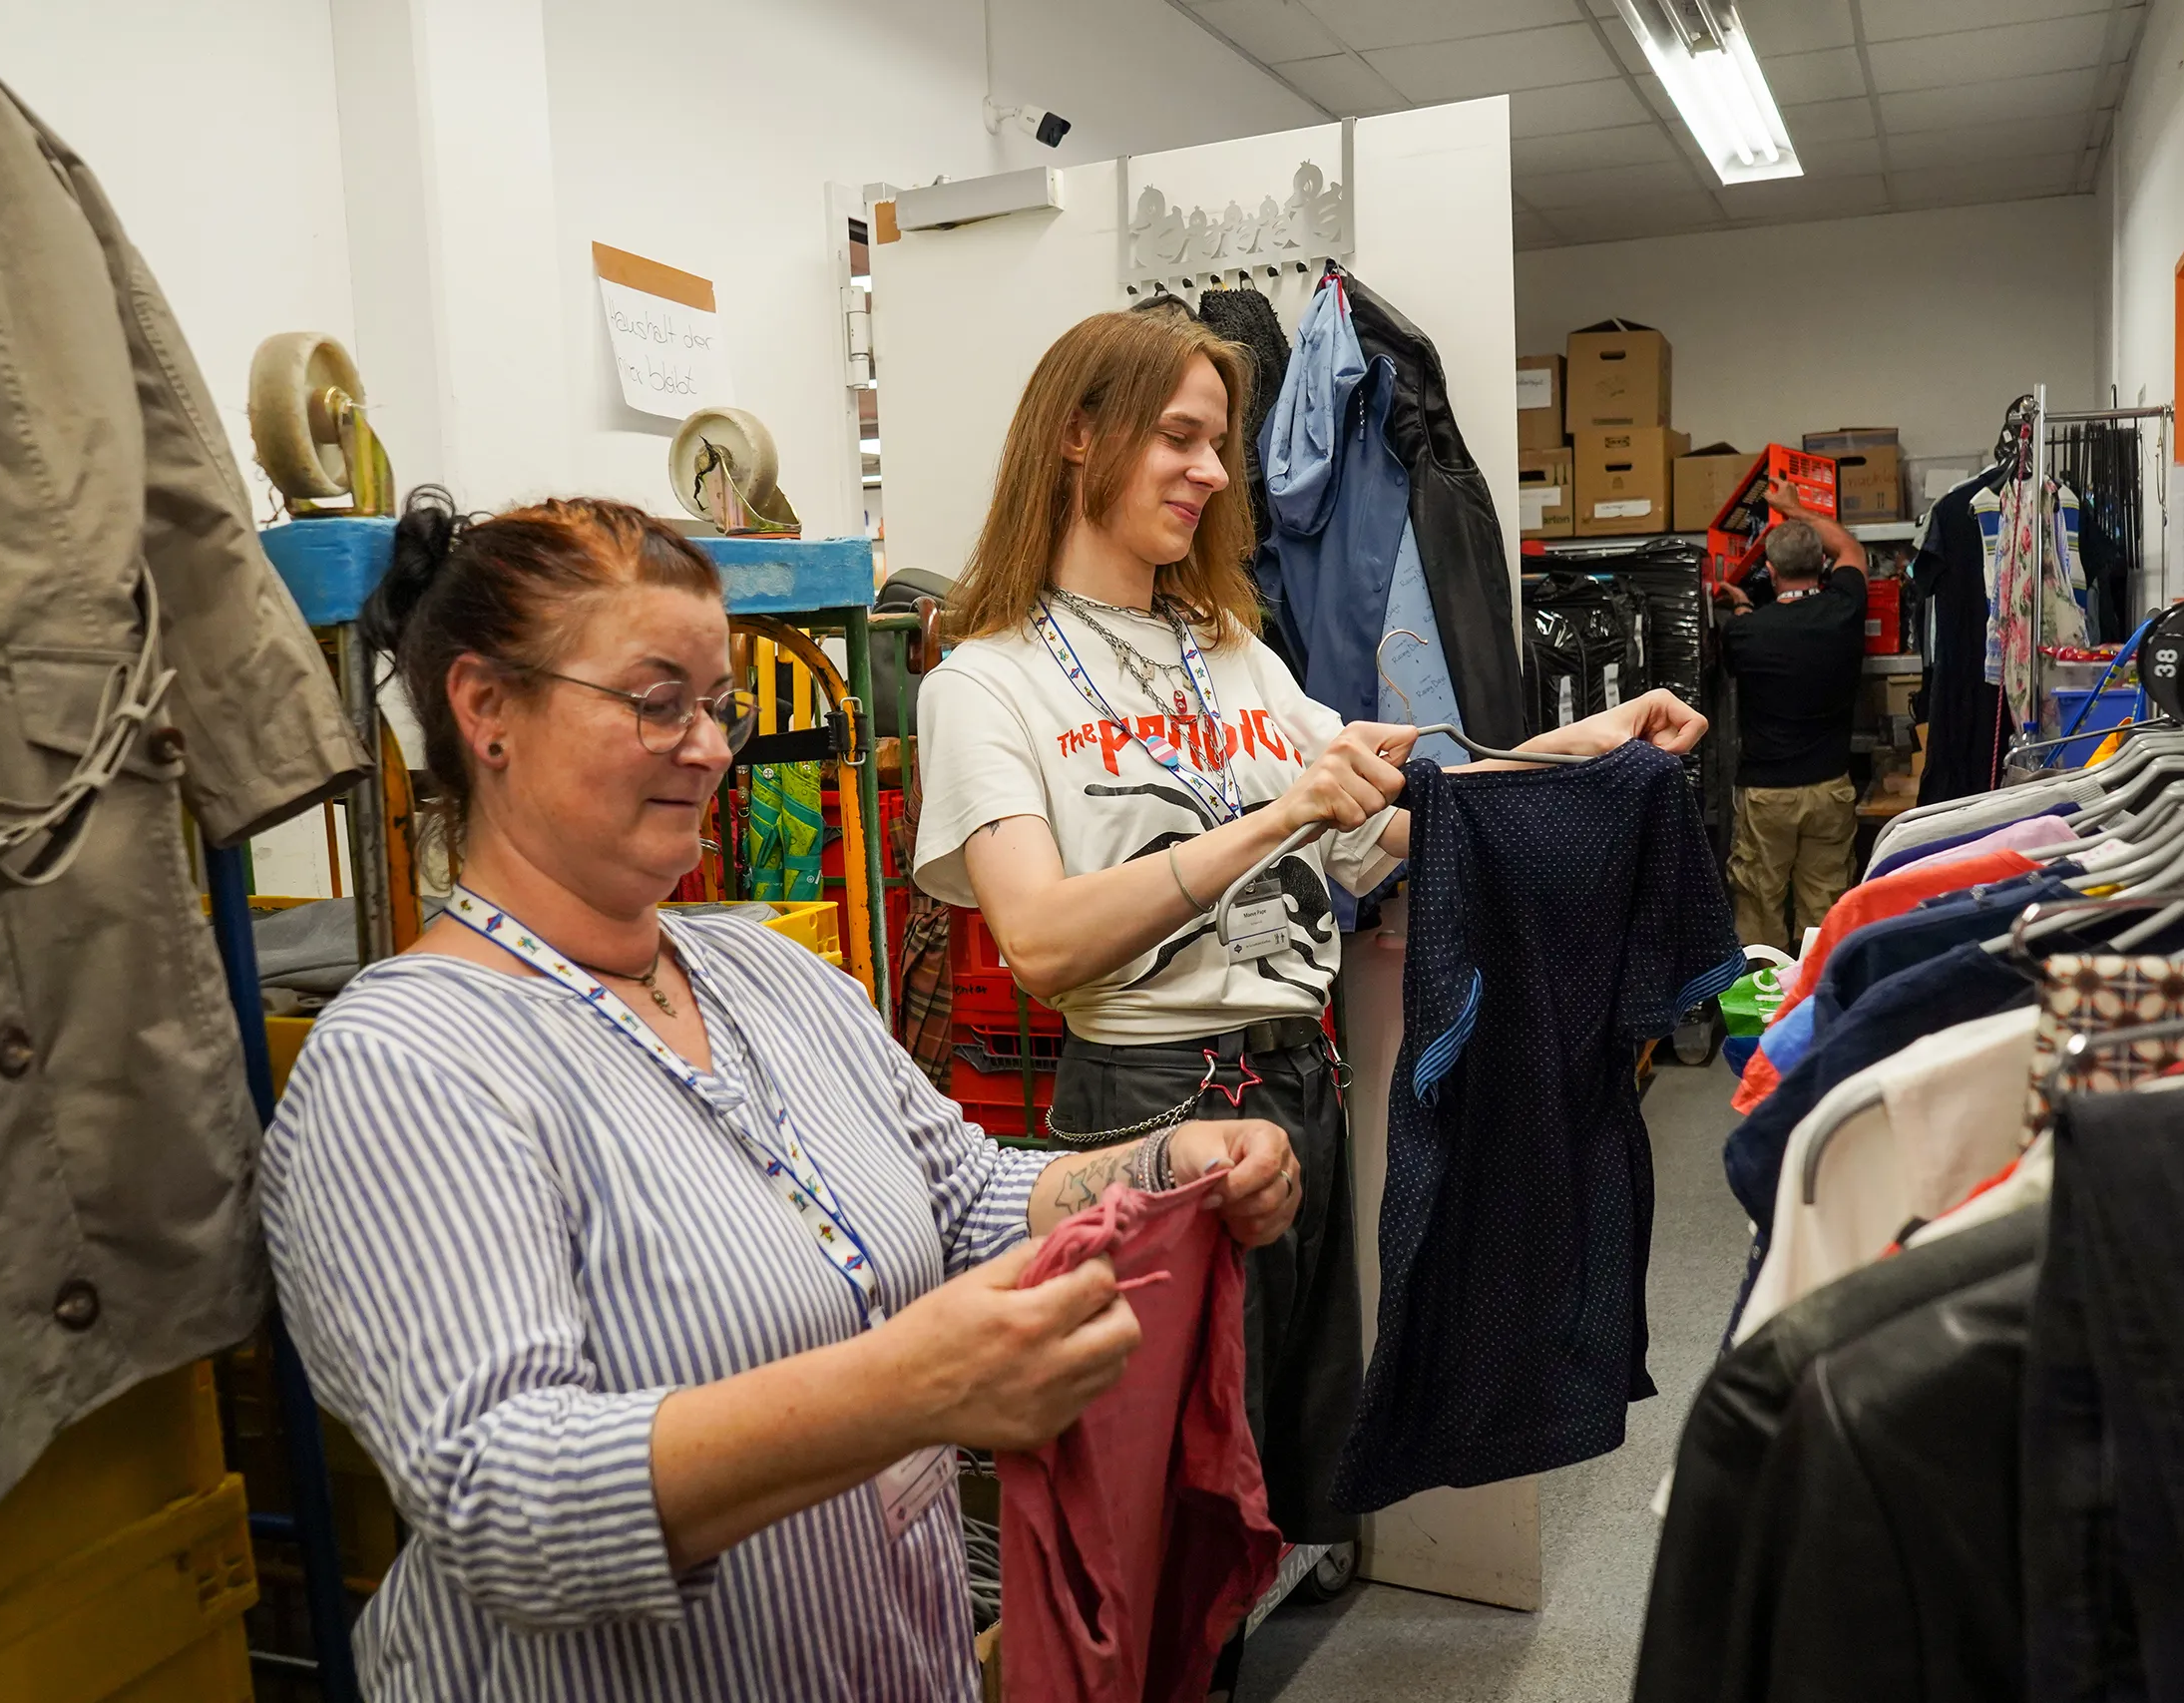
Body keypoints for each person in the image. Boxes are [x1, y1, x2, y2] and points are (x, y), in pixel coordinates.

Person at [256, 488, 1307, 1701]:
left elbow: (961, 1194)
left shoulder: (766, 973)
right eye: (657, 702)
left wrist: (1160, 1166)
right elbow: (508, 1502)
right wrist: (908, 1387)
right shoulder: (409, 1064)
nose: (710, 748)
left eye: (721, 705)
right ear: (486, 708)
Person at [910, 309, 1706, 1689]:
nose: (1215, 472)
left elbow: (1388, 828)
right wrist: (1280, 810)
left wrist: (1580, 746)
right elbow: (1039, 939)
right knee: (1155, 1511)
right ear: (1079, 435)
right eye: (1180, 437)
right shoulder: (988, 680)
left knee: (1262, 1482)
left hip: (1296, 1088)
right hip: (1150, 1109)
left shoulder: (1234, 652)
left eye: (1218, 442)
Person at [1716, 480, 1871, 952]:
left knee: (1759, 906)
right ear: (1822, 564)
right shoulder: (1845, 609)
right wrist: (1794, 507)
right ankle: (1818, 992)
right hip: (1829, 787)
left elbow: (1742, 637)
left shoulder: (1745, 633)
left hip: (1767, 795)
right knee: (1824, 910)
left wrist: (1742, 607)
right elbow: (1850, 548)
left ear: (1770, 570)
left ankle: (1765, 992)